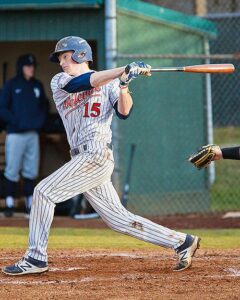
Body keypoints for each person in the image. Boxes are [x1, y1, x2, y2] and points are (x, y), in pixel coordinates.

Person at [2, 36, 200, 275]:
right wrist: (122, 70)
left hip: (96, 154)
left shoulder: (110, 83)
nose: (62, 62)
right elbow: (85, 82)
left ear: (80, 55)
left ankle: (35, 258)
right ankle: (182, 241)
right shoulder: (60, 81)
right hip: (80, 158)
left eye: (65, 56)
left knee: (43, 192)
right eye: (61, 58)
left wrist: (125, 83)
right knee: (118, 220)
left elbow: (124, 112)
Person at [0, 54, 48, 217]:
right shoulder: (11, 85)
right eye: (28, 66)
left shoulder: (38, 86)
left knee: (31, 170)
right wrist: (17, 122)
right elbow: (2, 108)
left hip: (32, 134)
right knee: (12, 169)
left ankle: (29, 205)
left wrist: (39, 123)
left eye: (33, 66)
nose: (31, 69)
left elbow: (44, 107)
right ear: (21, 67)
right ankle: (9, 205)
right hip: (15, 134)